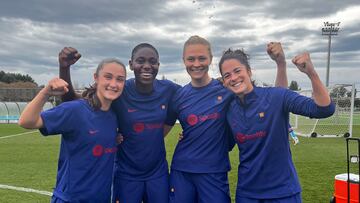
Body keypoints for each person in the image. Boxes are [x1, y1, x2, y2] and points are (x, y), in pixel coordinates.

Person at [165, 36, 288, 203]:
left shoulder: (228, 90)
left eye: (202, 58)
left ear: (210, 59)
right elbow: (161, 131)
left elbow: (278, 99)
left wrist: (280, 64)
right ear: (183, 60)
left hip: (214, 171)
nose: (196, 64)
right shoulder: (179, 96)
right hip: (182, 170)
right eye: (191, 59)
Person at [59, 44, 180, 203]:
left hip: (157, 174)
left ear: (158, 65)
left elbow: (194, 96)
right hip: (126, 174)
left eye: (152, 61)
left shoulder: (169, 89)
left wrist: (219, 86)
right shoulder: (120, 90)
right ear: (131, 64)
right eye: (140, 61)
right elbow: (73, 101)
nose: (147, 66)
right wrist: (64, 69)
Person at [218, 48, 335, 202]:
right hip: (247, 194)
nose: (233, 78)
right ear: (224, 82)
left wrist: (311, 73)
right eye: (227, 76)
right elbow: (223, 144)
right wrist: (190, 135)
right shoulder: (229, 110)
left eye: (237, 71)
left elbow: (324, 109)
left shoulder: (276, 96)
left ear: (249, 71)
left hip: (283, 193)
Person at [18, 56, 127, 202]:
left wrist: (113, 139)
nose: (114, 84)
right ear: (96, 78)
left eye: (120, 79)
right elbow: (26, 121)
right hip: (71, 199)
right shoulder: (75, 110)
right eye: (108, 77)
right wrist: (45, 92)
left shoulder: (114, 115)